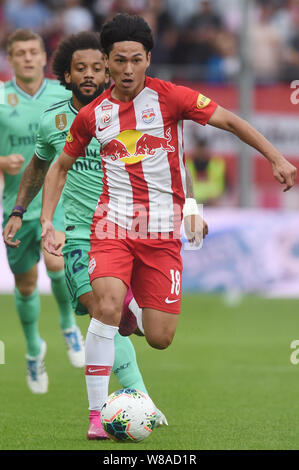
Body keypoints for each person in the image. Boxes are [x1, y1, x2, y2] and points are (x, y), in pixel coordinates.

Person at [40, 13, 297, 437]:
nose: (126, 69)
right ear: (106, 61)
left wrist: (275, 157)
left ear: (148, 59)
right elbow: (60, 166)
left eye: (135, 60)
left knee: (160, 337)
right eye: (118, 60)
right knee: (103, 307)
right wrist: (48, 220)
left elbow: (230, 121)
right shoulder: (93, 116)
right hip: (113, 225)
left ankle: (127, 312)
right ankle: (96, 414)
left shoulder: (172, 98)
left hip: (161, 231)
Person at [3, 31, 168, 440]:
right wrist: (22, 212)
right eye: (81, 68)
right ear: (66, 74)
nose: (91, 75)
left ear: (111, 67)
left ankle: (125, 401)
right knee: (103, 312)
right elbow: (41, 168)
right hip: (79, 234)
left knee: (116, 319)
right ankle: (126, 401)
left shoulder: (129, 113)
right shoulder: (54, 119)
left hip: (124, 233)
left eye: (98, 66)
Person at [0, 29, 84, 395]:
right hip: (15, 206)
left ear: (43, 55)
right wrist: (2, 160)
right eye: (20, 53)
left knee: (57, 263)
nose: (28, 58)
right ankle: (35, 350)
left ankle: (68, 324)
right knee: (26, 284)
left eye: (33, 52)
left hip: (59, 201)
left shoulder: (63, 95)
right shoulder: (1, 100)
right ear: (11, 58)